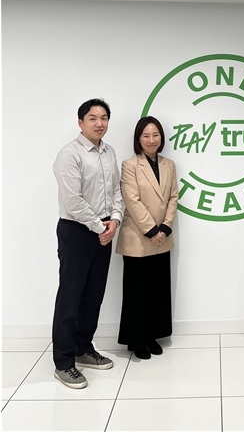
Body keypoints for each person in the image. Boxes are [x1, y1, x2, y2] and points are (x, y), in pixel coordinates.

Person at [52, 99, 122, 389]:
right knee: (70, 297)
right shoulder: (69, 154)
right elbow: (73, 201)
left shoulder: (109, 152)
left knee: (93, 295)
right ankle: (64, 362)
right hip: (77, 231)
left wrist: (115, 220)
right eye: (92, 118)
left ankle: (83, 348)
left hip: (104, 229)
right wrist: (100, 227)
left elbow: (116, 190)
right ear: (80, 122)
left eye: (104, 117)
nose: (99, 123)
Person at [116, 116, 178, 360]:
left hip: (162, 236)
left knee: (157, 290)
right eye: (146, 135)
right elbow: (131, 200)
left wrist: (165, 227)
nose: (151, 140)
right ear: (138, 139)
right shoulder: (130, 165)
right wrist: (152, 230)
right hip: (138, 237)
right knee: (136, 291)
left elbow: (173, 197)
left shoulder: (169, 165)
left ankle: (152, 335)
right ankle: (136, 339)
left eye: (155, 135)